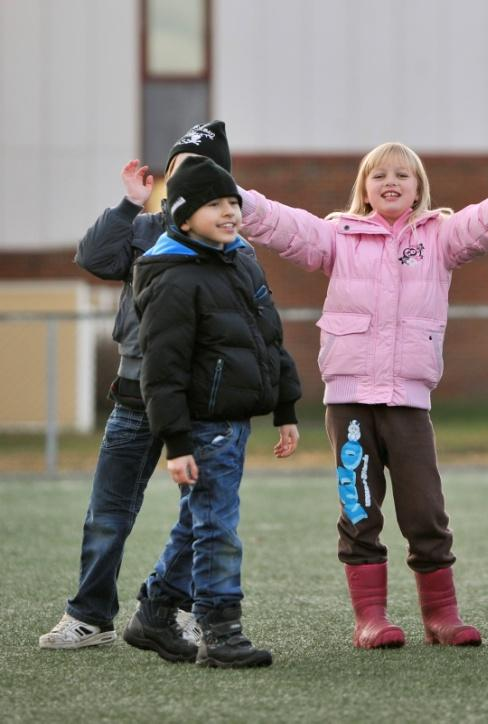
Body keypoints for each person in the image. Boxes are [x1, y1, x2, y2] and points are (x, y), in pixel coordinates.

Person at [237, 141, 488, 649]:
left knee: (426, 510)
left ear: (419, 187)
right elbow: (284, 225)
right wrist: (235, 197)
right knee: (359, 509)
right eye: (378, 176)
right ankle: (370, 618)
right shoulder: (338, 237)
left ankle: (441, 615)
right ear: (364, 189)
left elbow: (484, 220)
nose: (390, 181)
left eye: (402, 174)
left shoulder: (439, 237)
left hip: (409, 401)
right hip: (349, 402)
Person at [40, 121, 233, 650]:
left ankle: (184, 610)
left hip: (196, 402)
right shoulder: (145, 230)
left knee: (205, 513)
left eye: (200, 172)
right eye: (177, 170)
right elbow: (95, 258)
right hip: (133, 395)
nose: (184, 181)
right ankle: (90, 615)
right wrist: (128, 205)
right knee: (108, 510)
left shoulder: (230, 239)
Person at [123, 156, 301, 668]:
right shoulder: (173, 277)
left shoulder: (240, 258)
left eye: (232, 203)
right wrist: (176, 442)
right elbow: (163, 369)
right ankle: (221, 632)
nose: (229, 212)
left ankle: (155, 613)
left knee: (199, 518)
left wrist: (285, 405)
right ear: (182, 218)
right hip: (204, 425)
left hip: (235, 420)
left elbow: (268, 338)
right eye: (213, 205)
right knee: (216, 523)